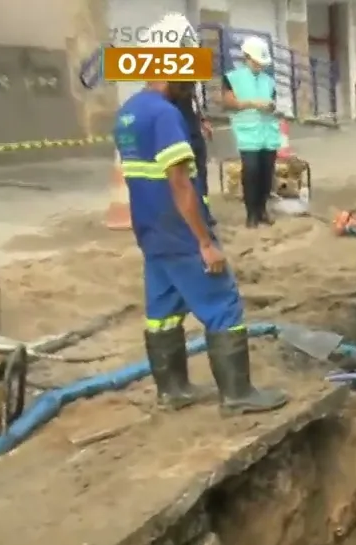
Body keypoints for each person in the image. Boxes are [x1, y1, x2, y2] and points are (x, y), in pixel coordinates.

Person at [114, 14, 288, 416]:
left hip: (151, 231)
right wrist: (205, 242)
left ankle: (172, 390)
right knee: (222, 302)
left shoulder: (128, 112)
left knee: (162, 309)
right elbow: (179, 184)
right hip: (180, 229)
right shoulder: (164, 115)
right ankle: (238, 394)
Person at [222, 37, 281, 228]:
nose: (259, 66)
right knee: (251, 173)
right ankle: (251, 214)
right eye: (256, 61)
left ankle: (262, 209)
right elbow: (228, 103)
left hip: (268, 134)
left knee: (266, 174)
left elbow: (274, 104)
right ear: (246, 58)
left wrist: (271, 107)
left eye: (261, 63)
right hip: (248, 135)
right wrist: (252, 103)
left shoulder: (269, 81)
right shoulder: (233, 78)